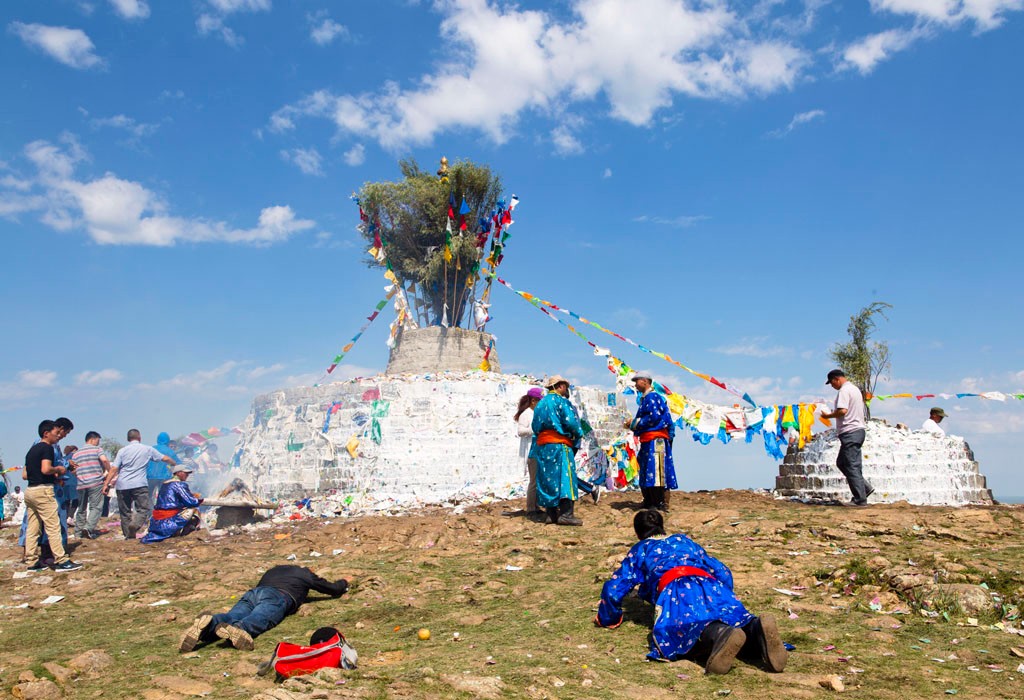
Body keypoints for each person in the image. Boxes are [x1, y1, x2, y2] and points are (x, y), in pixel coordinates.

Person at [595, 509, 787, 675]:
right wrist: (723, 595)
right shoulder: (683, 540)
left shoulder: (641, 548)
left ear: (638, 533)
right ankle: (755, 628)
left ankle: (720, 634)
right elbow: (721, 571)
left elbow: (614, 587)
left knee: (680, 630)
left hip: (676, 588)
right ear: (662, 526)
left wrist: (608, 618)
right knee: (733, 617)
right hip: (710, 583)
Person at [178, 565, 350, 652]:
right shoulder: (304, 573)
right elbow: (330, 588)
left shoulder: (274, 570)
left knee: (232, 614)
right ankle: (240, 630)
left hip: (253, 594)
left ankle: (209, 624)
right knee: (261, 616)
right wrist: (344, 582)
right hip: (277, 596)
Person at [23, 420, 82, 572]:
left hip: (30, 491)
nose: (58, 437)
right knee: (53, 526)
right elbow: (46, 469)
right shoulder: (47, 448)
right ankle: (61, 560)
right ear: (46, 434)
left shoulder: (32, 450)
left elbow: (24, 474)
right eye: (56, 433)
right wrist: (59, 469)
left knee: (33, 528)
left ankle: (31, 561)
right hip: (43, 491)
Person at [532, 375, 586, 526]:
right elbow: (571, 423)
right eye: (565, 387)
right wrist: (578, 434)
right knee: (565, 478)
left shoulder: (540, 404)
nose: (566, 390)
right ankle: (566, 515)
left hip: (543, 447)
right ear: (560, 386)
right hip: (560, 446)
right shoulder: (562, 402)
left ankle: (551, 515)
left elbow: (535, 427)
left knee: (548, 479)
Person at [105, 429, 176, 540]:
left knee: (125, 512)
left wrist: (106, 484)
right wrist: (174, 464)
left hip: (122, 485)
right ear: (139, 437)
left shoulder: (122, 451)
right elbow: (165, 458)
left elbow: (114, 468)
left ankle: (128, 535)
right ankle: (135, 525)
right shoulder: (147, 449)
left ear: (128, 439)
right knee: (144, 509)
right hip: (139, 484)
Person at [819, 369, 874, 506]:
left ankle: (860, 499)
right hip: (857, 431)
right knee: (842, 463)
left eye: (832, 383)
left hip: (850, 431)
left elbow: (842, 411)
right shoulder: (854, 389)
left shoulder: (844, 391)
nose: (832, 386)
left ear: (836, 379)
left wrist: (828, 416)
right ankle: (864, 488)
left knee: (851, 465)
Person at [629, 373, 678, 512]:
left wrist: (635, 423)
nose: (635, 384)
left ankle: (659, 502)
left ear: (645, 382)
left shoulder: (652, 397)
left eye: (637, 381)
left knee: (656, 470)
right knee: (646, 468)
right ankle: (649, 500)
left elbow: (654, 417)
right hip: (648, 440)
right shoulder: (646, 399)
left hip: (656, 441)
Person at [142, 464, 204, 544]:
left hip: (157, 521)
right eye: (186, 473)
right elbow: (191, 502)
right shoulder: (179, 484)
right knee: (195, 510)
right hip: (169, 519)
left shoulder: (165, 484)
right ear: (179, 473)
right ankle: (180, 533)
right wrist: (199, 500)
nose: (187, 475)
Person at [72, 432, 112, 539]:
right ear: (92, 439)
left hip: (81, 484)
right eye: (98, 440)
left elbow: (73, 470)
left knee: (81, 509)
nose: (98, 442)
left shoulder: (76, 453)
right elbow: (104, 460)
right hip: (95, 482)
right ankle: (88, 528)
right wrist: (110, 471)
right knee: (96, 507)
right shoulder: (97, 449)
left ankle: (78, 532)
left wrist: (80, 475)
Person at [515, 387, 544, 522]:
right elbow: (520, 431)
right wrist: (535, 429)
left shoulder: (534, 412)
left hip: (537, 449)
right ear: (533, 401)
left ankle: (536, 505)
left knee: (538, 480)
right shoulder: (526, 414)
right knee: (533, 481)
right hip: (531, 451)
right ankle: (531, 508)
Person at [147, 432, 179, 501]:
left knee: (148, 496)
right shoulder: (170, 451)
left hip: (151, 476)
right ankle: (161, 510)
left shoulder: (151, 449)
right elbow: (179, 463)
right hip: (165, 477)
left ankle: (150, 510)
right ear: (168, 440)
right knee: (164, 496)